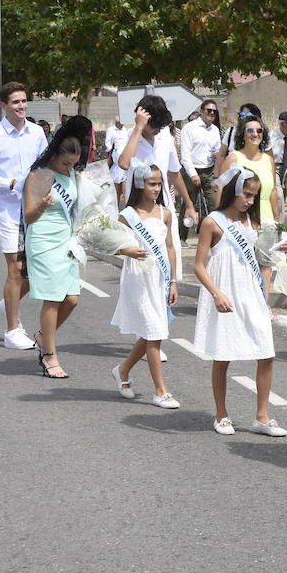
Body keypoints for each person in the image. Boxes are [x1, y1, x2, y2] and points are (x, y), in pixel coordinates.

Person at [193, 165, 287, 437]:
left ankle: (262, 416)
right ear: (233, 191)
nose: (249, 201)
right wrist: (217, 293)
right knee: (223, 356)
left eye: (253, 196)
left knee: (266, 353)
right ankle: (221, 414)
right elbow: (199, 266)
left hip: (251, 294)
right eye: (245, 194)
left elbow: (262, 259)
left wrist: (280, 248)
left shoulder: (255, 224)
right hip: (225, 293)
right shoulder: (212, 222)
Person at [0, 82, 47, 350]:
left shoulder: (37, 132)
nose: (22, 106)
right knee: (15, 270)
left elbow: (44, 168)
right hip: (8, 211)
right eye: (16, 102)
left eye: (24, 101)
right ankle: (12, 329)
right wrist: (9, 183)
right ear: (4, 105)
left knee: (35, 270)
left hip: (35, 210)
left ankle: (8, 303)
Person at [23, 120, 90, 379]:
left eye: (73, 164)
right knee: (52, 298)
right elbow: (29, 216)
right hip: (43, 239)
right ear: (54, 156)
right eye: (65, 163)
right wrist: (41, 205)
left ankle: (43, 336)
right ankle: (49, 355)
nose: (69, 168)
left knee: (72, 299)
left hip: (65, 240)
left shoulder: (71, 173)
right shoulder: (40, 175)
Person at [110, 164, 181, 408]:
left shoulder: (165, 214)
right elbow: (113, 244)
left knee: (152, 330)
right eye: (152, 183)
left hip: (159, 279)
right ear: (140, 184)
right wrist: (127, 250)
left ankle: (122, 370)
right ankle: (160, 391)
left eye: (159, 183)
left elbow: (170, 248)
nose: (156, 188)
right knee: (154, 333)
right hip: (137, 279)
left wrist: (173, 281)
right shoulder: (127, 215)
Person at [113, 94, 197, 269]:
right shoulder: (131, 136)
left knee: (170, 263)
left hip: (164, 208)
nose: (159, 129)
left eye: (161, 125)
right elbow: (123, 163)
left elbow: (174, 173)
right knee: (143, 268)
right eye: (155, 126)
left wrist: (189, 204)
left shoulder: (165, 135)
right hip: (138, 212)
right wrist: (138, 128)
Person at [218, 114, 279, 224]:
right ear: (242, 134)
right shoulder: (232, 159)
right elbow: (220, 190)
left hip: (267, 217)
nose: (255, 134)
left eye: (259, 130)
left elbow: (273, 191)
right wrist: (219, 220)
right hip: (240, 219)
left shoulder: (269, 160)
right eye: (250, 130)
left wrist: (276, 218)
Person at [180, 100, 222, 220]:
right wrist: (193, 174)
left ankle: (216, 234)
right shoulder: (189, 128)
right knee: (189, 205)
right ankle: (182, 236)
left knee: (215, 204)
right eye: (209, 110)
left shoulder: (215, 130)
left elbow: (218, 150)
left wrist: (217, 155)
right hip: (192, 171)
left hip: (209, 171)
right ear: (201, 111)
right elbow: (185, 155)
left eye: (214, 111)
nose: (212, 113)